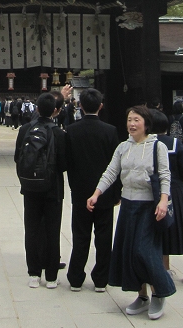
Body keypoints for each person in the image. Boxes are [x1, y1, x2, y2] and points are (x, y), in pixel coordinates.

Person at [87, 105, 176, 321]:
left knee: (144, 251)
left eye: (136, 120)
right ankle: (141, 295)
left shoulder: (157, 147)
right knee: (129, 252)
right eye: (129, 119)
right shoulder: (122, 147)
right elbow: (111, 172)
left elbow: (165, 175)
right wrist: (96, 194)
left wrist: (164, 201)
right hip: (128, 204)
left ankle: (159, 292)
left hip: (149, 206)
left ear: (146, 123)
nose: (132, 124)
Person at [65, 88, 120, 293]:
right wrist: (116, 192)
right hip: (104, 191)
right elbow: (116, 165)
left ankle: (76, 278)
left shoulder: (71, 130)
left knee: (80, 235)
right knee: (104, 236)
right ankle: (101, 279)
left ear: (80, 106)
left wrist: (73, 186)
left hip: (80, 191)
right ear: (101, 106)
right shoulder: (110, 131)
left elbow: (67, 162)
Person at [14, 91, 67, 289]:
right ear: (55, 111)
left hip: (30, 187)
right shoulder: (59, 133)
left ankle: (34, 273)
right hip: (52, 188)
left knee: (32, 229)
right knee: (52, 230)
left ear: (36, 108)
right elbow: (63, 164)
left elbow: (18, 157)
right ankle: (51, 276)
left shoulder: (25, 129)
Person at [153, 110, 183, 284]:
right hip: (177, 188)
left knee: (163, 226)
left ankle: (166, 268)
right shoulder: (175, 143)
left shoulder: (150, 144)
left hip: (159, 190)